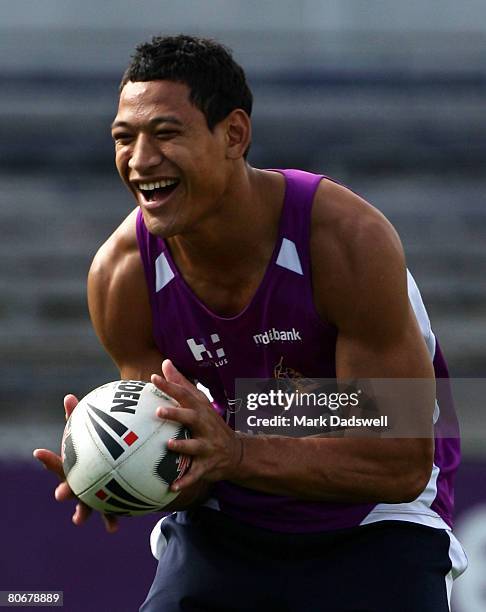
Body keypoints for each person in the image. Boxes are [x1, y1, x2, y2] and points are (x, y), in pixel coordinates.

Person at [34, 34, 467, 611]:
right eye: (123, 138)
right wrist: (121, 469)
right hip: (225, 524)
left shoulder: (346, 241)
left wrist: (235, 443)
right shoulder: (122, 276)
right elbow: (189, 458)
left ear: (234, 134)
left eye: (165, 133)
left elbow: (400, 461)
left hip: (376, 524)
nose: (139, 161)